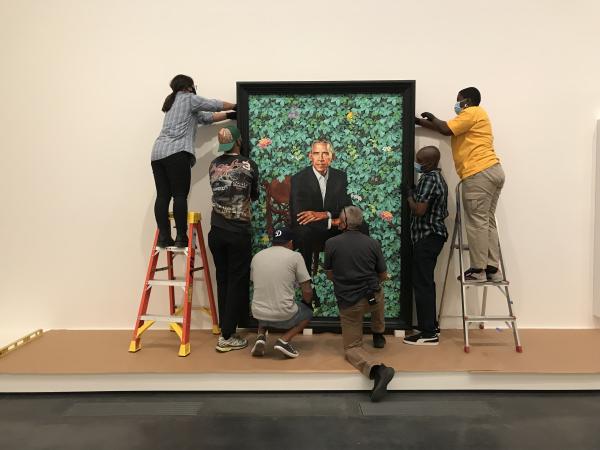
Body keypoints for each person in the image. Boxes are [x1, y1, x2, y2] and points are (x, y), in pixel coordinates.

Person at [416, 87, 505, 282]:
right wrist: (420, 122)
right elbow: (446, 128)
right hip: (492, 170)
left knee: (477, 222)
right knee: (487, 221)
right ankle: (492, 268)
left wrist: (433, 118)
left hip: (478, 172)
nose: (457, 104)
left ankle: (478, 270)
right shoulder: (475, 118)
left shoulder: (472, 112)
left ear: (467, 101)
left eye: (459, 100)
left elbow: (445, 128)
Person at [151, 74, 236, 248]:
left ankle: (164, 237)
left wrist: (230, 114)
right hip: (176, 153)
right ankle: (182, 237)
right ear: (188, 86)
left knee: (163, 196)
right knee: (180, 195)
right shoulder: (189, 98)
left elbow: (207, 118)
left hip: (157, 154)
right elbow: (213, 105)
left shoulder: (172, 103)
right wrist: (237, 105)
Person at [324, 206, 395, 402]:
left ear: (345, 223)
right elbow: (382, 275)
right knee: (379, 295)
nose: (338, 222)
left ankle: (378, 370)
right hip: (372, 298)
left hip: (350, 304)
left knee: (352, 348)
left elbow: (329, 274)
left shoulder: (331, 243)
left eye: (339, 219)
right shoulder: (373, 243)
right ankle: (378, 333)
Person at [208, 125, 259, 353]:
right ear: (238, 141)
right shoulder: (249, 165)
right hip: (238, 232)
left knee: (223, 279)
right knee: (237, 282)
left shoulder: (213, 165)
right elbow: (254, 195)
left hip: (216, 231)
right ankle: (228, 336)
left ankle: (224, 329)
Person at [404, 146, 448, 346]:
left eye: (419, 160)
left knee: (422, 284)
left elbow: (420, 210)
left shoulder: (430, 179)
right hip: (432, 237)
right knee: (426, 283)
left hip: (427, 237)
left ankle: (428, 333)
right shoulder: (436, 178)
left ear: (428, 163)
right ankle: (431, 326)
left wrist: (408, 196)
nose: (417, 163)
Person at [289, 139, 353, 274]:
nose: (321, 158)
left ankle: (356, 276)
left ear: (332, 157)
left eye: (325, 153)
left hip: (334, 228)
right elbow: (300, 216)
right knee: (303, 231)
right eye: (316, 153)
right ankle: (306, 281)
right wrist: (332, 221)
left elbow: (346, 207)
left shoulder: (341, 177)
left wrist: (325, 214)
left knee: (361, 226)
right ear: (310, 156)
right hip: (310, 228)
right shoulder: (298, 179)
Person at [250, 227, 313, 358]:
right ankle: (284, 340)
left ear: (273, 241)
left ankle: (261, 336)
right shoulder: (295, 256)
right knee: (307, 313)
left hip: (258, 313)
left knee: (264, 302)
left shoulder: (257, 256)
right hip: (283, 314)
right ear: (290, 242)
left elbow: (255, 281)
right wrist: (307, 302)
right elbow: (306, 290)